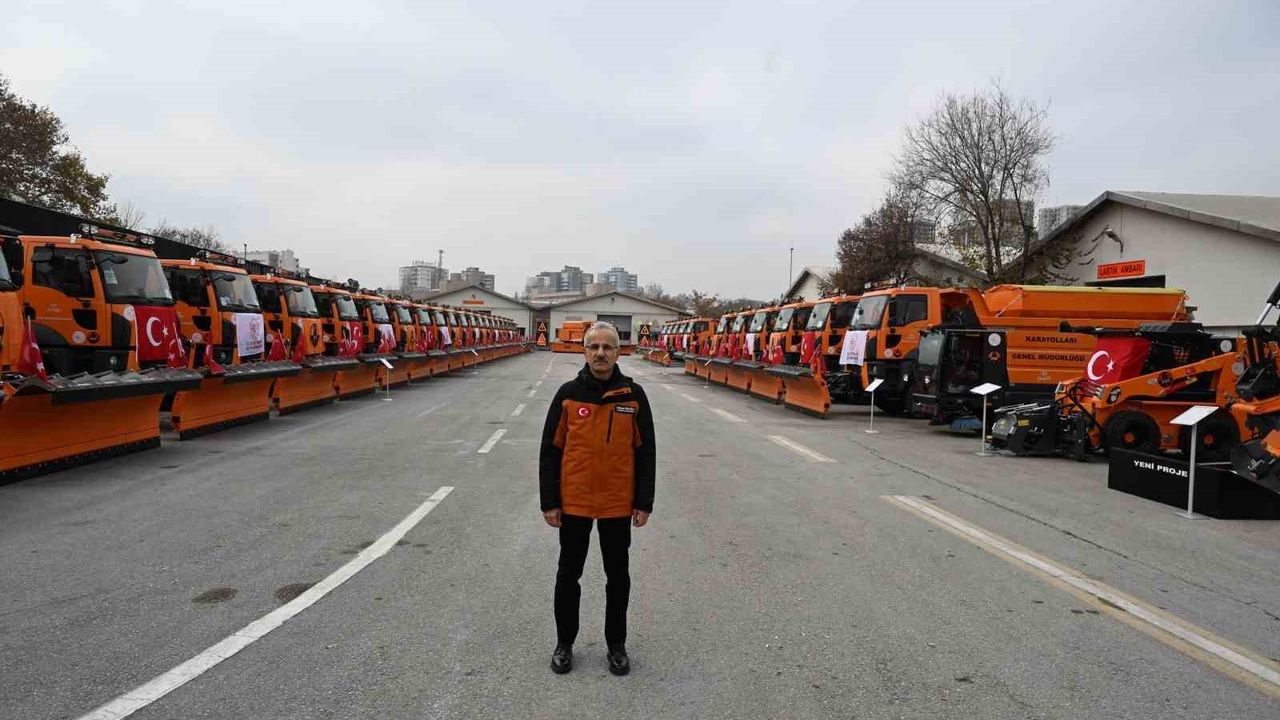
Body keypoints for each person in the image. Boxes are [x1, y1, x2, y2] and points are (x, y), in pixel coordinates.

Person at [539, 321, 656, 676]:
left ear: (619, 352)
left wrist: (643, 501)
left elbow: (646, 452)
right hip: (573, 503)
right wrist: (550, 501)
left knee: (617, 576)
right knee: (568, 575)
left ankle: (616, 645)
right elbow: (550, 451)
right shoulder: (568, 395)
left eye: (608, 347)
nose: (601, 353)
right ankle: (564, 644)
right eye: (594, 347)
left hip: (617, 504)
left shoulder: (633, 397)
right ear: (584, 351)